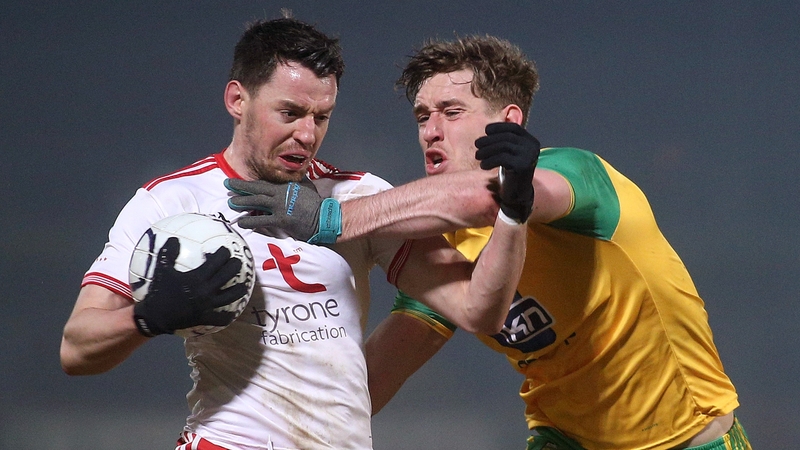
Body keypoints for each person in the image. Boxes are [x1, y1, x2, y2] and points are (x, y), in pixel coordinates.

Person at [243, 35, 752, 449]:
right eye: (423, 116)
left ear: (507, 122)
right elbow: (370, 382)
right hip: (563, 438)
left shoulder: (577, 175)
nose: (431, 132)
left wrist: (329, 218)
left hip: (689, 438)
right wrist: (262, 427)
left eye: (451, 111)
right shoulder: (442, 244)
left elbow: (495, 197)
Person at [59, 18, 535, 450]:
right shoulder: (171, 202)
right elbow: (77, 348)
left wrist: (513, 216)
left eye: (321, 117)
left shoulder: (358, 197)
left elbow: (480, 310)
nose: (307, 134)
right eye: (289, 113)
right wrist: (149, 316)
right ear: (237, 100)